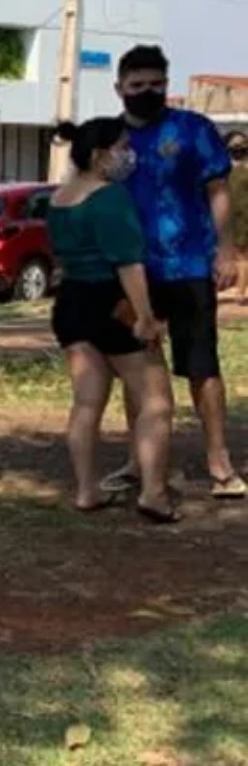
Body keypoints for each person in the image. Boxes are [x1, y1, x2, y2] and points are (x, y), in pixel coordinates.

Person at [107, 44, 243, 498]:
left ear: (168, 85)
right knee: (138, 366)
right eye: (137, 85)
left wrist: (226, 250)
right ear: (119, 88)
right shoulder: (107, 139)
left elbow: (219, 190)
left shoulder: (193, 130)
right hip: (130, 271)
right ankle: (138, 458)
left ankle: (219, 461)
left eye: (156, 85)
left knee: (201, 364)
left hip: (188, 264)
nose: (147, 92)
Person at [46, 117, 178, 521]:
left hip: (71, 303)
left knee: (87, 402)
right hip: (112, 302)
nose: (128, 154)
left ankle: (86, 489)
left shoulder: (60, 198)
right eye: (122, 146)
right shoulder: (110, 197)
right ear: (100, 154)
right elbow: (128, 263)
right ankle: (154, 492)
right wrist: (145, 317)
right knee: (157, 401)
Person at [228, 132, 248, 304]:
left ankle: (240, 294)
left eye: (241, 144)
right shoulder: (222, 168)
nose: (238, 147)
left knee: (242, 256)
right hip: (224, 218)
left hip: (243, 217)